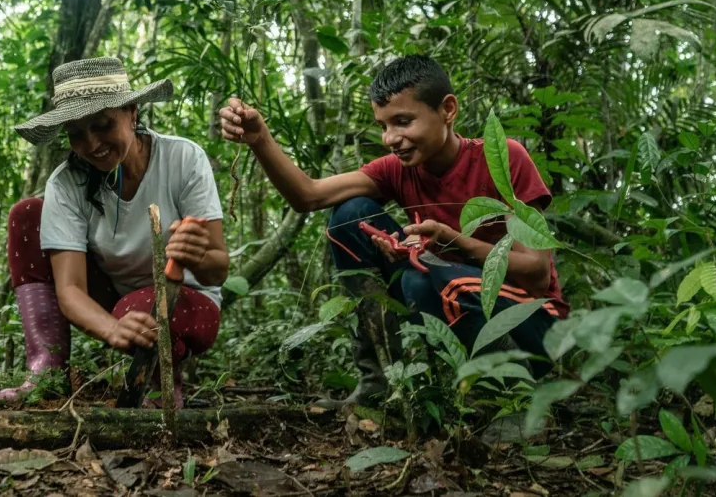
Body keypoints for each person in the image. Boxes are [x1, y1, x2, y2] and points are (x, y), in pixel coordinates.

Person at [218, 55, 567, 409]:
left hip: (534, 324)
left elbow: (537, 273)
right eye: (383, 126)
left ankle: (511, 396)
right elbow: (309, 196)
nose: (391, 138)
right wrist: (260, 138)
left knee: (429, 279)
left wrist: (451, 241)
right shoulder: (398, 169)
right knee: (350, 217)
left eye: (403, 121)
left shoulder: (502, 156)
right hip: (453, 296)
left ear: (447, 109)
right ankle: (379, 382)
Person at [0, 56, 229, 407]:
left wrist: (196, 255)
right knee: (28, 214)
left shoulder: (183, 159)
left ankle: (162, 382)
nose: (91, 145)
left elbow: (218, 269)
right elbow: (71, 288)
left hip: (186, 298)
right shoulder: (67, 183)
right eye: (76, 134)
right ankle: (46, 371)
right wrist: (111, 328)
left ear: (132, 112)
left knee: (140, 306)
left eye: (103, 125)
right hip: (117, 302)